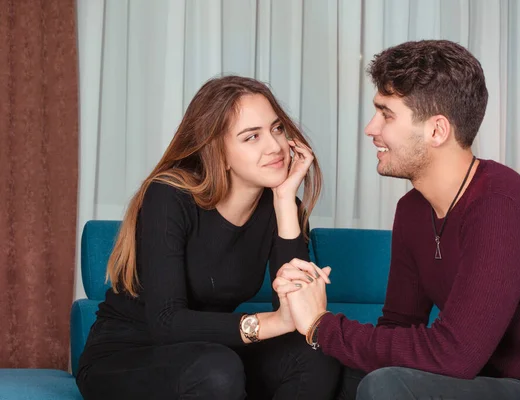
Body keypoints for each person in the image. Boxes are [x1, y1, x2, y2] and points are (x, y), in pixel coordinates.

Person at [274, 40, 520, 400]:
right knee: (347, 370)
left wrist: (322, 326)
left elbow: (455, 355)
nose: (370, 128)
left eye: (386, 114)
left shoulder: (501, 208)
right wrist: (325, 336)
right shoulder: (413, 210)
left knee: (385, 386)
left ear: (436, 130)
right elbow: (399, 325)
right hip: (488, 380)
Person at [75, 75, 341, 400]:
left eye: (277, 128)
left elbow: (294, 311)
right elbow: (166, 322)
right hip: (129, 355)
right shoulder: (169, 196)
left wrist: (286, 199)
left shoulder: (283, 206)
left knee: (317, 356)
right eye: (251, 137)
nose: (275, 146)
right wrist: (273, 323)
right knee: (216, 369)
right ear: (219, 152)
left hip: (210, 354)